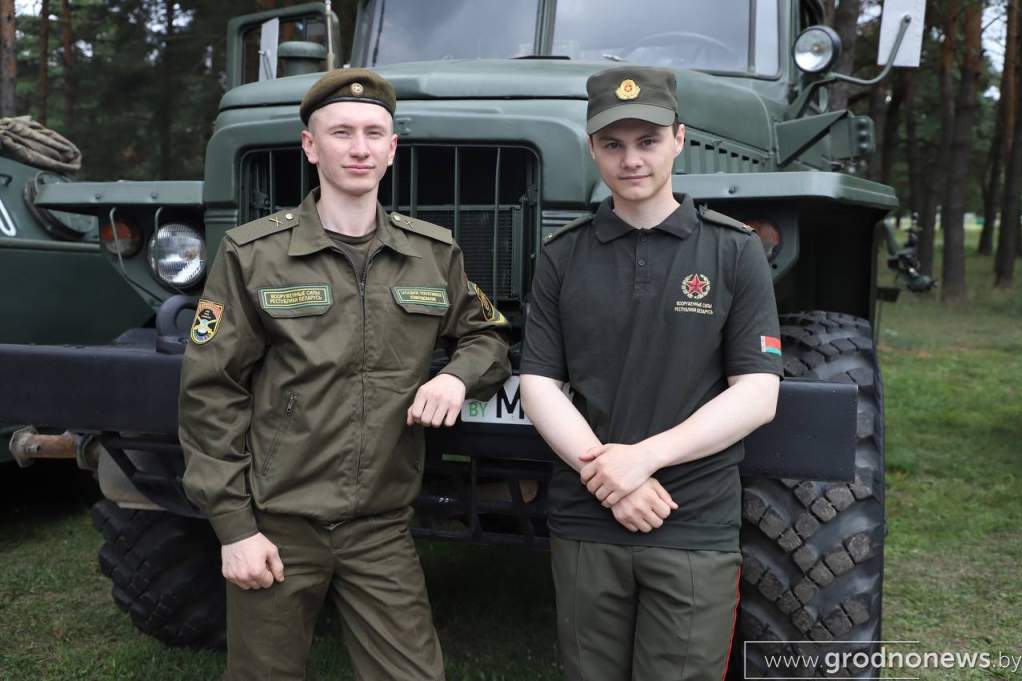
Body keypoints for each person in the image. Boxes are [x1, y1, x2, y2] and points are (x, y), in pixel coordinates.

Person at [178, 68, 511, 681]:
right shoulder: (254, 255)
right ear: (311, 146)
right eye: (341, 133)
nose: (359, 148)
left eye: (373, 133)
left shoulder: (432, 253)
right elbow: (211, 393)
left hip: (380, 527)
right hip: (278, 524)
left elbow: (488, 335)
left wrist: (457, 377)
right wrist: (234, 529)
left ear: (392, 148)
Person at [520, 66, 782, 681]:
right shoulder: (562, 255)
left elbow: (757, 393)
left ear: (679, 139)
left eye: (648, 141)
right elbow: (539, 384)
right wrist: (610, 478)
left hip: (692, 520)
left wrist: (641, 461)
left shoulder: (733, 250)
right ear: (592, 148)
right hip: (588, 520)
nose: (631, 159)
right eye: (613, 144)